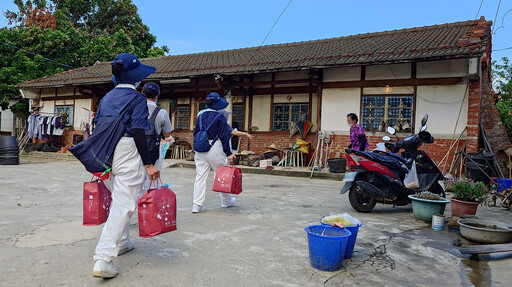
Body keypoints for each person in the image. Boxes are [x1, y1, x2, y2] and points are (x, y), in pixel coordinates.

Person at [92, 53, 160, 279]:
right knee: (124, 203)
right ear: (135, 77)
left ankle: (121, 241)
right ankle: (103, 257)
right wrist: (149, 163)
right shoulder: (138, 99)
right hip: (128, 149)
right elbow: (140, 131)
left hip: (106, 150)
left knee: (119, 198)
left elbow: (98, 125)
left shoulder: (106, 98)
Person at [192, 92, 237, 213]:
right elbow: (224, 137)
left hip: (201, 148)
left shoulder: (200, 116)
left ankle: (197, 205)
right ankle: (226, 200)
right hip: (215, 147)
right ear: (217, 104)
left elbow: (195, 133)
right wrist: (229, 153)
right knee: (221, 175)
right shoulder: (220, 117)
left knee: (200, 176)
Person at [141, 82, 174, 190]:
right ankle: (149, 201)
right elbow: (167, 133)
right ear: (156, 96)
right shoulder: (162, 112)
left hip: (135, 146)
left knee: (136, 177)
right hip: (153, 147)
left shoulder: (136, 110)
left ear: (142, 93)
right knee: (153, 176)